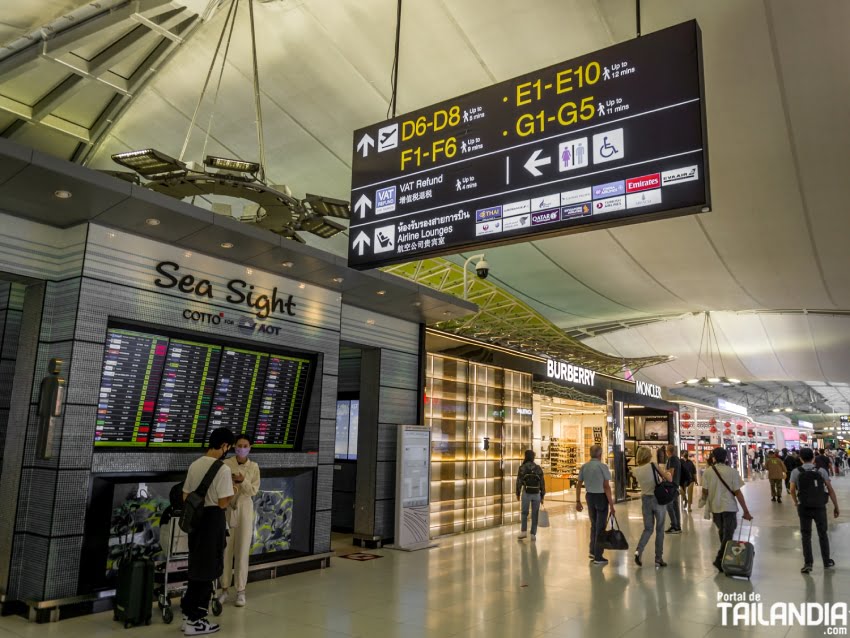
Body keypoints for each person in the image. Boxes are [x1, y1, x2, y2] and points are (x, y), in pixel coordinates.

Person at [181, 427, 235, 636]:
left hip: (196, 522)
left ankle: (188, 615)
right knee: (208, 570)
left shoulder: (195, 464)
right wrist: (235, 490)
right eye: (229, 447)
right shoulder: (223, 470)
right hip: (213, 521)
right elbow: (223, 503)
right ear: (224, 446)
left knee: (196, 568)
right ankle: (197, 620)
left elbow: (185, 496)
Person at [219, 434, 261, 607]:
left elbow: (253, 490)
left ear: (249, 447)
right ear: (234, 446)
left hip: (245, 509)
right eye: (239, 445)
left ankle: (241, 590)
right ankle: (223, 589)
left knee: (242, 551)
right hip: (228, 508)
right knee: (226, 551)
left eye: (245, 445)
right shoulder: (226, 464)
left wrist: (242, 481)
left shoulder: (254, 467)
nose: (242, 448)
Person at [700, 447, 754, 573]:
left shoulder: (708, 472)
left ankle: (723, 558)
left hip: (715, 507)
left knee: (723, 532)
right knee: (728, 533)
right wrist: (745, 510)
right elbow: (738, 492)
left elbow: (705, 491)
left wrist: (702, 501)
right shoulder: (732, 472)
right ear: (726, 458)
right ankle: (720, 559)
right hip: (729, 507)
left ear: (713, 457)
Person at [790, 447, 839, 573]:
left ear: (800, 458)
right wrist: (836, 506)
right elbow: (830, 488)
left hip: (804, 507)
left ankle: (808, 563)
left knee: (806, 536)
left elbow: (792, 490)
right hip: (819, 507)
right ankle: (826, 561)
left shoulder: (796, 472)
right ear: (813, 458)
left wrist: (796, 502)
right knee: (823, 534)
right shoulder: (821, 470)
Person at [630, 446, 670, 568]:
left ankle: (638, 551)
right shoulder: (653, 465)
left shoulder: (635, 470)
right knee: (659, 529)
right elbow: (667, 478)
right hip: (657, 499)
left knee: (648, 529)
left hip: (645, 500)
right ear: (648, 456)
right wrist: (667, 473)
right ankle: (658, 558)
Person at [576, 445, 615, 565]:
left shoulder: (584, 466)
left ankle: (592, 550)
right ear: (600, 454)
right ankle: (598, 556)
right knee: (600, 527)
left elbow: (578, 484)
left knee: (594, 524)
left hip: (590, 497)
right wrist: (612, 505)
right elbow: (606, 486)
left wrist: (577, 500)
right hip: (600, 497)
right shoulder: (602, 466)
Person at [516, 449, 545, 540]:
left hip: (526, 492)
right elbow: (542, 482)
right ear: (533, 457)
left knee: (524, 512)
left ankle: (523, 532)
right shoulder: (538, 468)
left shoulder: (522, 467)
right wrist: (542, 495)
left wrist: (517, 492)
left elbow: (519, 481)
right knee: (535, 513)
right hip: (536, 493)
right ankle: (533, 534)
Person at [664, 445, 682, 534]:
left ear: (669, 451)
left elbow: (671, 472)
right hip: (675, 485)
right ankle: (677, 526)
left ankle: (674, 525)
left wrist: (664, 475)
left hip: (671, 485)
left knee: (669, 506)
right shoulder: (677, 459)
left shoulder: (672, 459)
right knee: (675, 506)